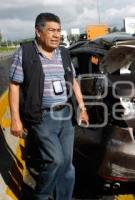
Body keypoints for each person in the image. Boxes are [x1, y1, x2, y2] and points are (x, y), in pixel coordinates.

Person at [8, 13, 89, 200]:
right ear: (38, 31)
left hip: (66, 115)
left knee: (67, 165)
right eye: (51, 30)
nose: (56, 35)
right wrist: (15, 119)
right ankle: (42, 196)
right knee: (55, 160)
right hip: (41, 117)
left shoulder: (64, 53)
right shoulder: (26, 52)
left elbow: (73, 81)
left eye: (59, 30)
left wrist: (82, 108)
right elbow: (14, 85)